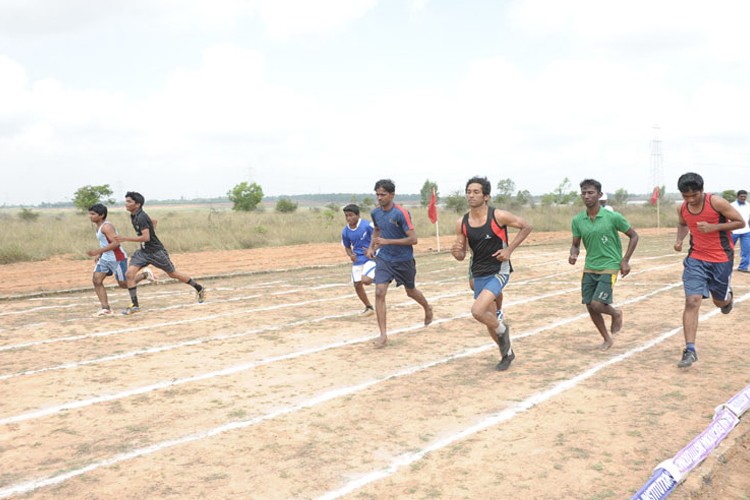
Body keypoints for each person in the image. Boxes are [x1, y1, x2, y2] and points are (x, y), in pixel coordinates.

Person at [452, 176, 533, 371]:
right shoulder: (462, 222)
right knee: (489, 319)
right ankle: (507, 353)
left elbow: (527, 226)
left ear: (486, 196)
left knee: (478, 311)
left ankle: (503, 329)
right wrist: (457, 252)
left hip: (498, 270)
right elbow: (461, 255)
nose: (471, 195)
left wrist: (509, 250)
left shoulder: (498, 216)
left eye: (476, 192)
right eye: (469, 192)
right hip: (478, 271)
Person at [673, 173, 745, 368]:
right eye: (685, 196)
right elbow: (682, 224)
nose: (690, 199)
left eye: (694, 195)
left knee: (719, 301)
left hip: (721, 259)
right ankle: (690, 350)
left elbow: (740, 223)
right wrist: (679, 240)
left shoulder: (716, 202)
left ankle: (727, 298)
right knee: (692, 301)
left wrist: (714, 227)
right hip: (696, 259)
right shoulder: (682, 208)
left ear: (701, 191)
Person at [569, 179, 639, 351]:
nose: (587, 196)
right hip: (590, 266)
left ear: (599, 195)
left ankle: (616, 313)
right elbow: (576, 243)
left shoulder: (612, 217)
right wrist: (573, 253)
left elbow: (634, 236)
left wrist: (625, 260)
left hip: (610, 265)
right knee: (589, 304)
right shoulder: (578, 220)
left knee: (598, 304)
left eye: (590, 192)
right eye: (584, 193)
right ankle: (606, 338)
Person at [366, 179, 433, 348]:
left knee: (410, 292)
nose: (379, 198)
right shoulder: (375, 213)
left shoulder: (401, 213)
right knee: (380, 292)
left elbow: (413, 239)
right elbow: (377, 230)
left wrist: (388, 241)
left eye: (383, 194)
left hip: (403, 260)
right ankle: (383, 335)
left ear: (392, 195)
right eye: (377, 194)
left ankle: (427, 307)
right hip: (385, 259)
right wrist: (371, 246)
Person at [115, 191, 206, 315]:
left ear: (138, 204)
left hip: (155, 252)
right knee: (129, 274)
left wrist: (126, 238)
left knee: (173, 274)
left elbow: (146, 237)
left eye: (129, 201)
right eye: (126, 201)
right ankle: (135, 305)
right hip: (143, 252)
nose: (126, 204)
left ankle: (199, 288)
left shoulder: (141, 217)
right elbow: (154, 221)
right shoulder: (134, 215)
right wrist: (151, 230)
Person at [86, 203, 154, 316]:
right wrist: (101, 254)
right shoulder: (98, 226)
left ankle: (145, 275)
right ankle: (106, 308)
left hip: (117, 258)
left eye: (93, 214)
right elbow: (105, 242)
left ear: (101, 215)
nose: (90, 216)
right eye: (90, 214)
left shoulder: (107, 227)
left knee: (123, 284)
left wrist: (98, 251)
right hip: (106, 258)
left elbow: (116, 243)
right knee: (96, 281)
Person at [341, 204, 376, 316]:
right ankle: (368, 307)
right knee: (357, 284)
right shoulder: (345, 231)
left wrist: (372, 249)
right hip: (358, 260)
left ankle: (382, 278)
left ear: (357, 215)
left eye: (351, 215)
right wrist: (351, 255)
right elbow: (347, 246)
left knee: (366, 280)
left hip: (370, 258)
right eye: (346, 216)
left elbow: (377, 235)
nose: (348, 218)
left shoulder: (367, 225)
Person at [730, 189, 750, 273]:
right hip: (733, 231)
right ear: (737, 197)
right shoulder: (731, 205)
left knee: (747, 250)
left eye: (744, 197)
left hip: (746, 231)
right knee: (729, 250)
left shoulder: (748, 205)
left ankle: (743, 267)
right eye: (741, 196)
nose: (743, 198)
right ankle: (726, 266)